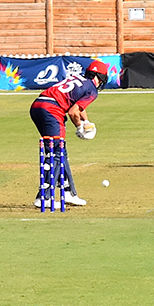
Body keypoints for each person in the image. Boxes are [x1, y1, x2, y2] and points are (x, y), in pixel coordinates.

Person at [28, 60, 109, 207]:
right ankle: (44, 197)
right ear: (99, 78)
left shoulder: (77, 77)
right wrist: (79, 127)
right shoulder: (92, 89)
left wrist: (87, 122)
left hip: (37, 105)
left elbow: (77, 105)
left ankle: (68, 192)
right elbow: (73, 111)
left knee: (59, 151)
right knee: (56, 152)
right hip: (52, 110)